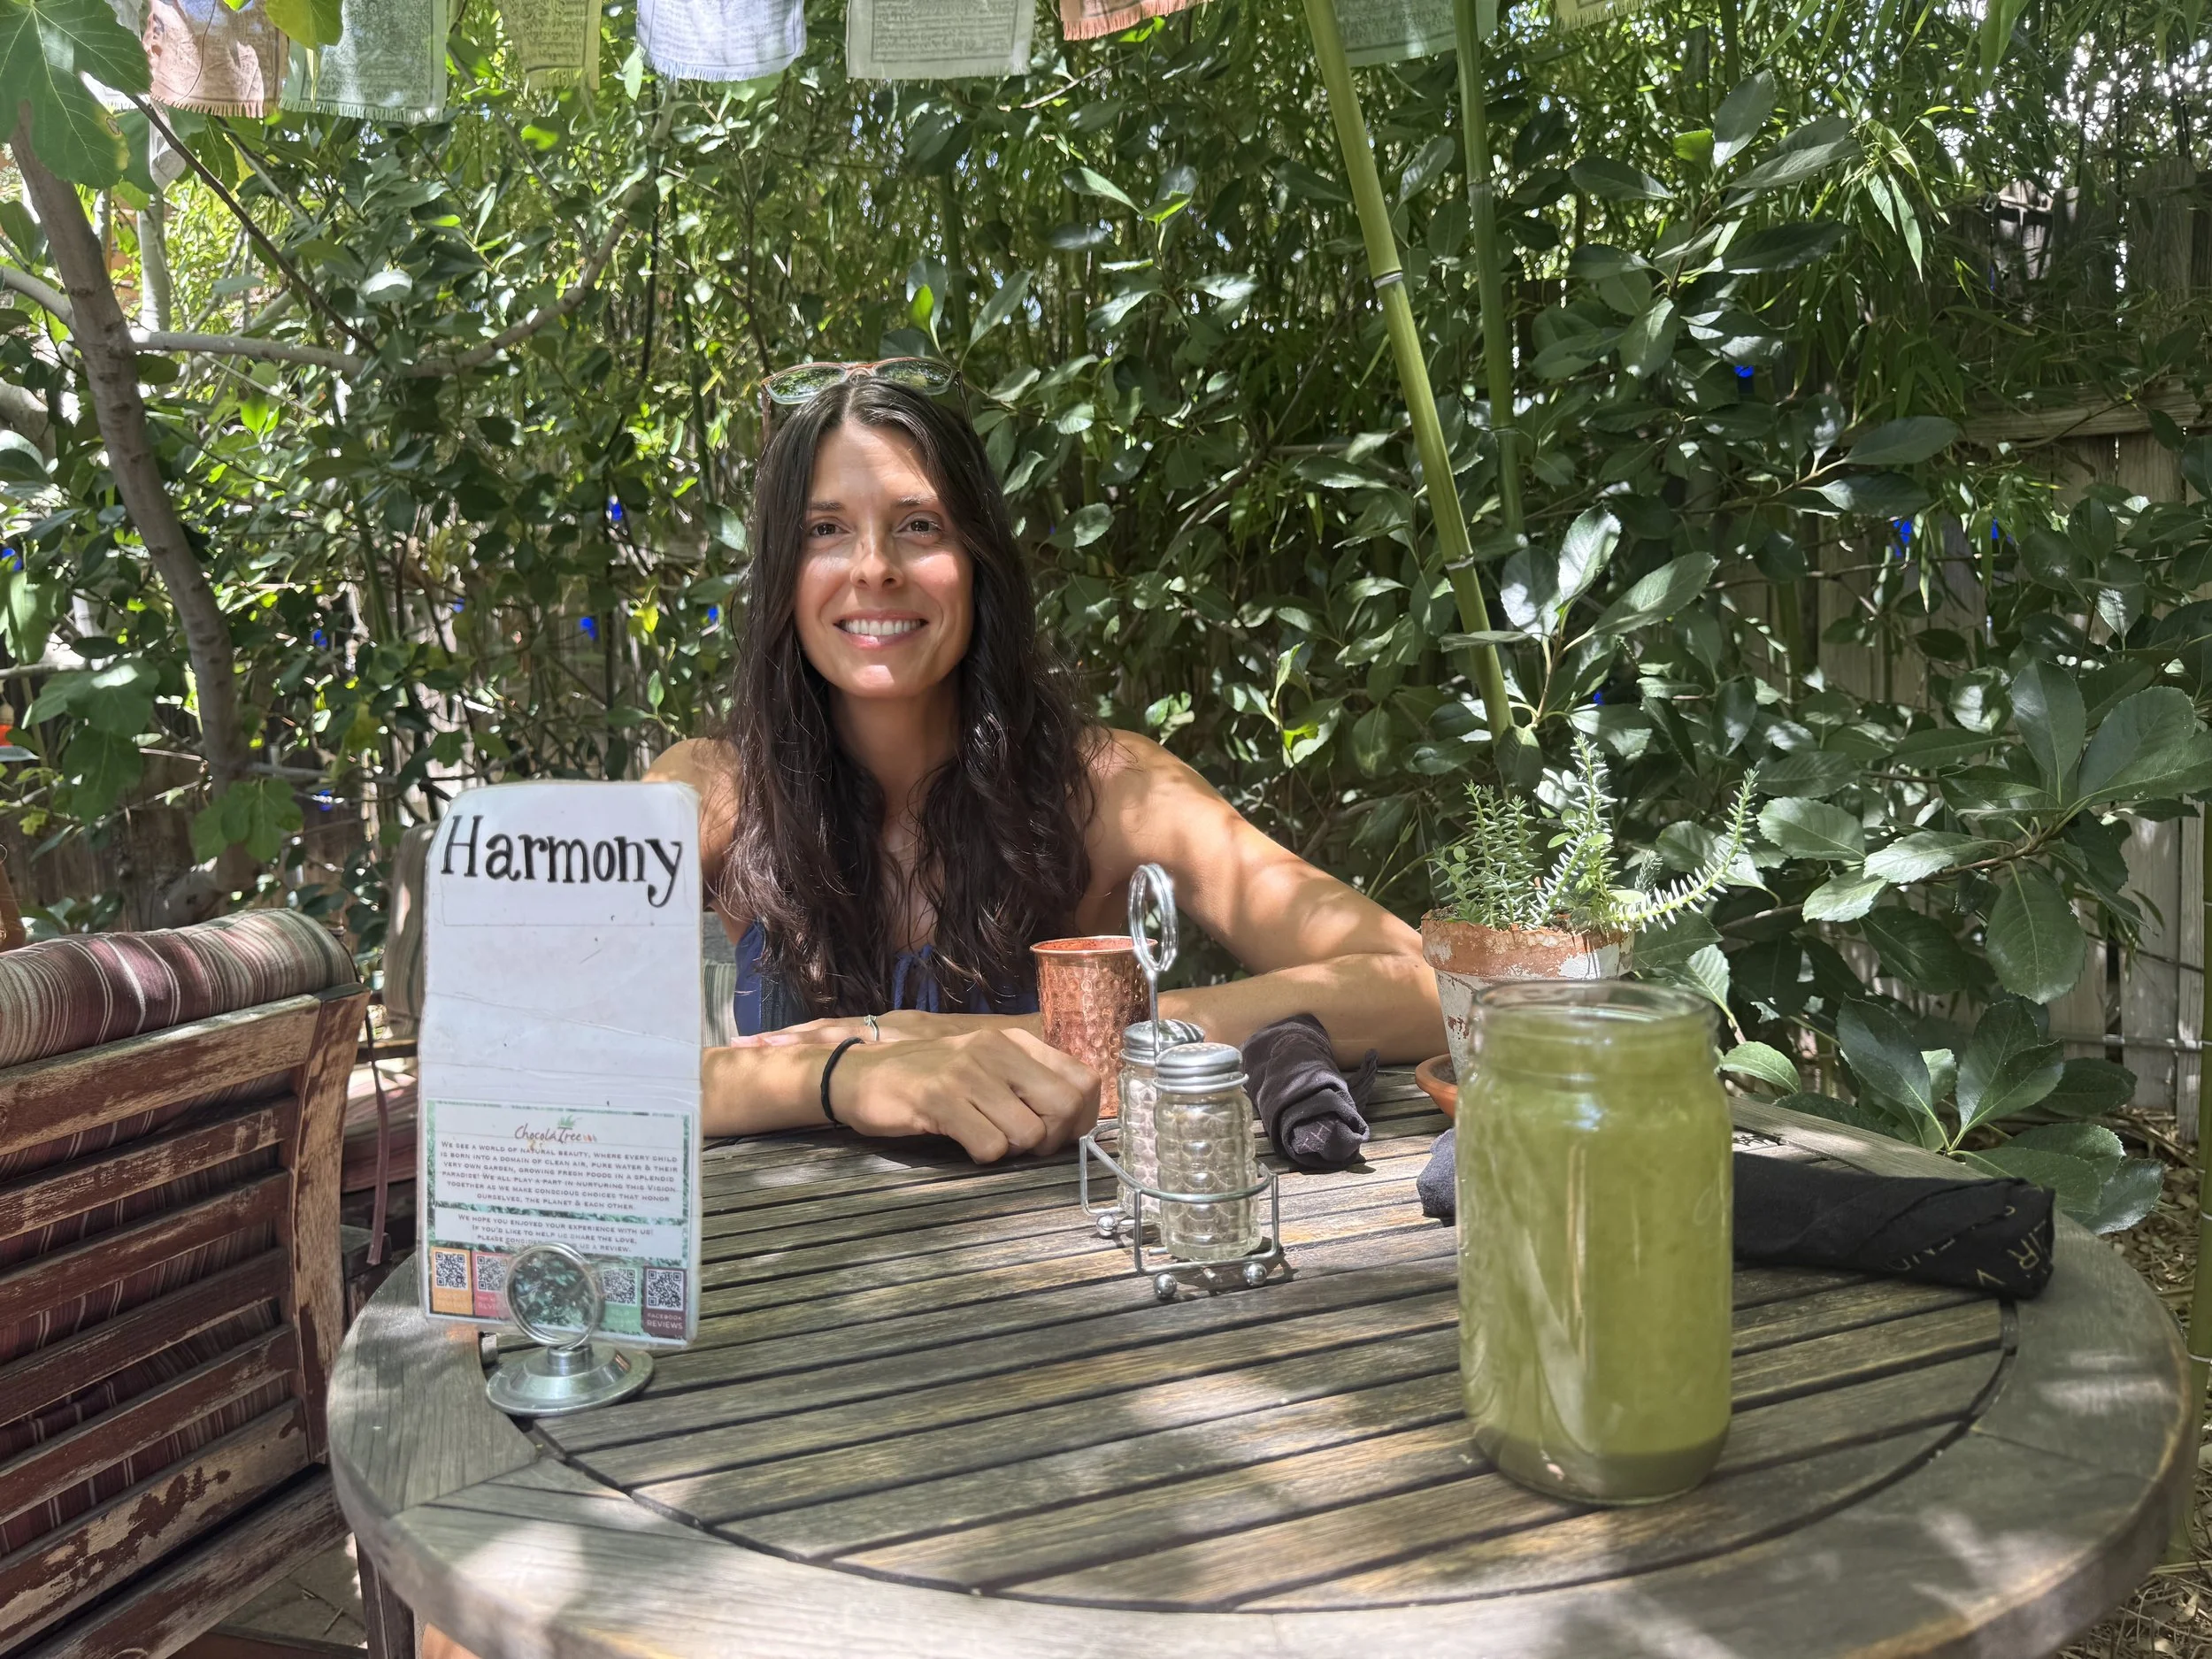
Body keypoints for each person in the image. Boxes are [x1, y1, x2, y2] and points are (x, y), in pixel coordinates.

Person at [650, 360, 1445, 1164]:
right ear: (783, 576)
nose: (874, 566)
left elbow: (1432, 987)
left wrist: (1047, 1034)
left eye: (919, 524)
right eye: (826, 530)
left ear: (978, 562)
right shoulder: (710, 791)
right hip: (792, 1274)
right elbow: (549, 1064)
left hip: (1075, 1266)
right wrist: (851, 1075)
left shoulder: (1108, 786)